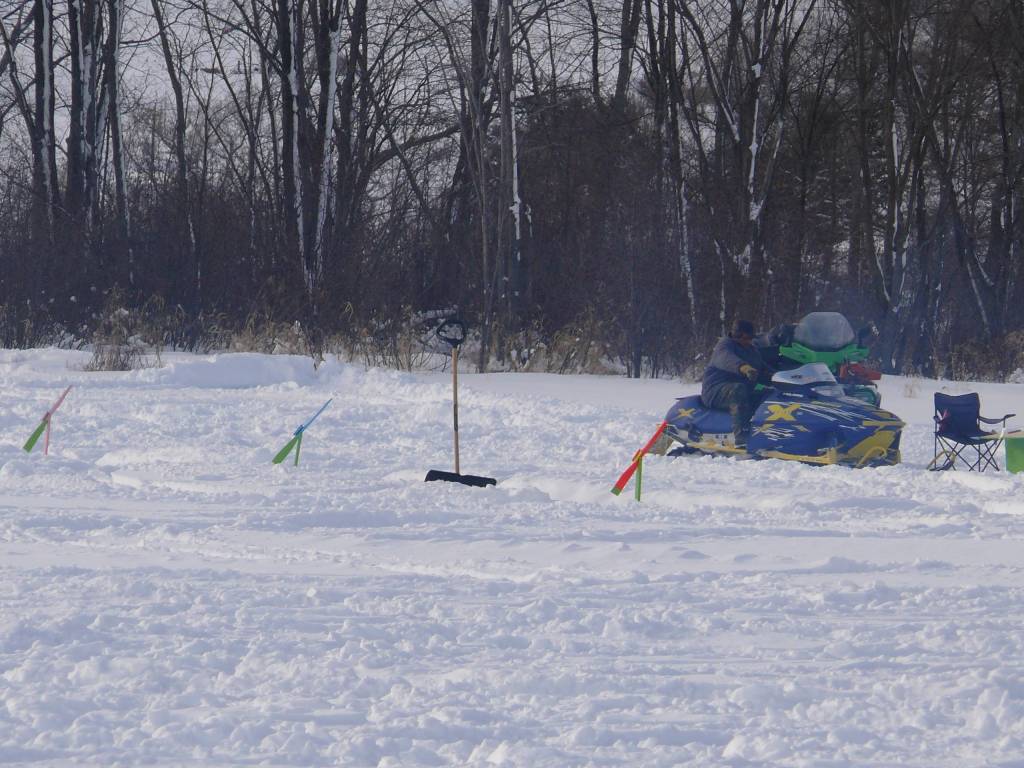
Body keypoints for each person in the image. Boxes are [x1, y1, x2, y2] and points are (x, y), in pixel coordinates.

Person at [701, 319, 768, 447]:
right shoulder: (724, 346)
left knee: (766, 393)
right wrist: (743, 367)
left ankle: (766, 432)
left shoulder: (751, 350)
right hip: (715, 390)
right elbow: (726, 359)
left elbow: (762, 368)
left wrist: (778, 376)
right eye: (746, 338)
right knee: (738, 390)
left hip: (743, 388)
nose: (749, 341)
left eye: (751, 338)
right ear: (737, 335)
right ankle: (741, 436)